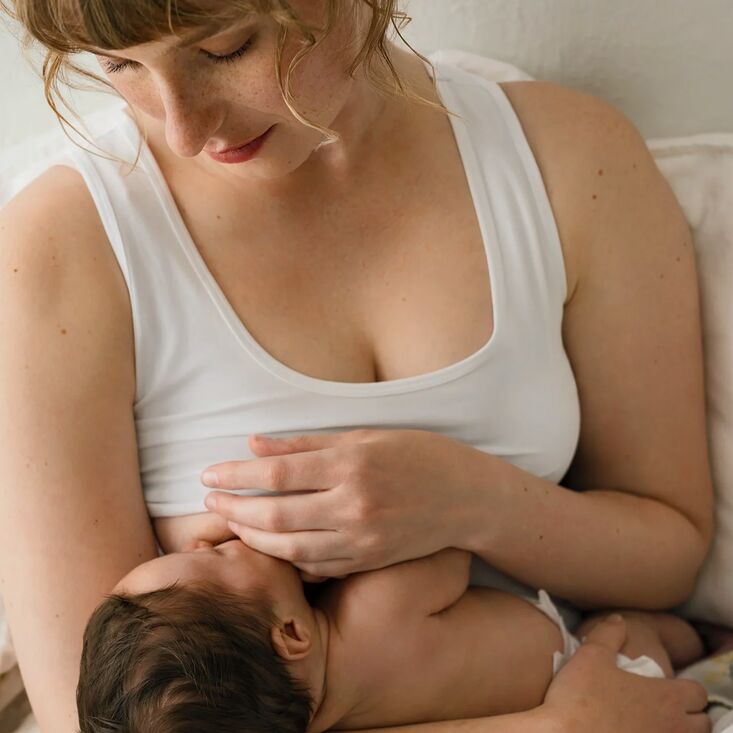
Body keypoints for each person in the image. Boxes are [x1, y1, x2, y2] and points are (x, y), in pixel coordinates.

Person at [0, 1, 714, 732]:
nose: (182, 129)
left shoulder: (569, 162)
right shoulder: (63, 248)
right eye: (120, 66)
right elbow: (97, 722)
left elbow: (668, 557)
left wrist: (476, 501)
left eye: (225, 49)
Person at [77, 541, 701, 732]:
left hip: (557, 693)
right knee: (639, 630)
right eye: (214, 557)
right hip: (594, 669)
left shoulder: (329, 719)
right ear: (290, 634)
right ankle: (699, 642)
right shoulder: (374, 607)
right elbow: (449, 555)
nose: (204, 539)